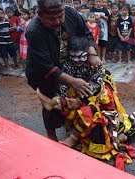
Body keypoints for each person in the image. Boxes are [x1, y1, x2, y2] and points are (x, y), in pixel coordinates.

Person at [35, 34, 135, 170]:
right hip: (75, 95)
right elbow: (63, 85)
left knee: (90, 110)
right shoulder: (66, 64)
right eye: (73, 56)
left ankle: (72, 137)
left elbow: (95, 89)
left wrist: (81, 97)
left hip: (94, 96)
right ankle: (57, 104)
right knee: (75, 103)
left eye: (81, 56)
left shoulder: (95, 65)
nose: (77, 60)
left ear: (88, 53)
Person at [25, 0, 101, 142]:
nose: (58, 21)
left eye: (61, 16)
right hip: (41, 71)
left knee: (73, 96)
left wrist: (92, 53)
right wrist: (72, 81)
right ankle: (51, 135)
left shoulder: (71, 13)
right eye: (52, 19)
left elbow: (86, 33)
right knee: (51, 97)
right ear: (39, 15)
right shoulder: (34, 31)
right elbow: (45, 66)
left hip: (66, 64)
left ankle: (74, 128)